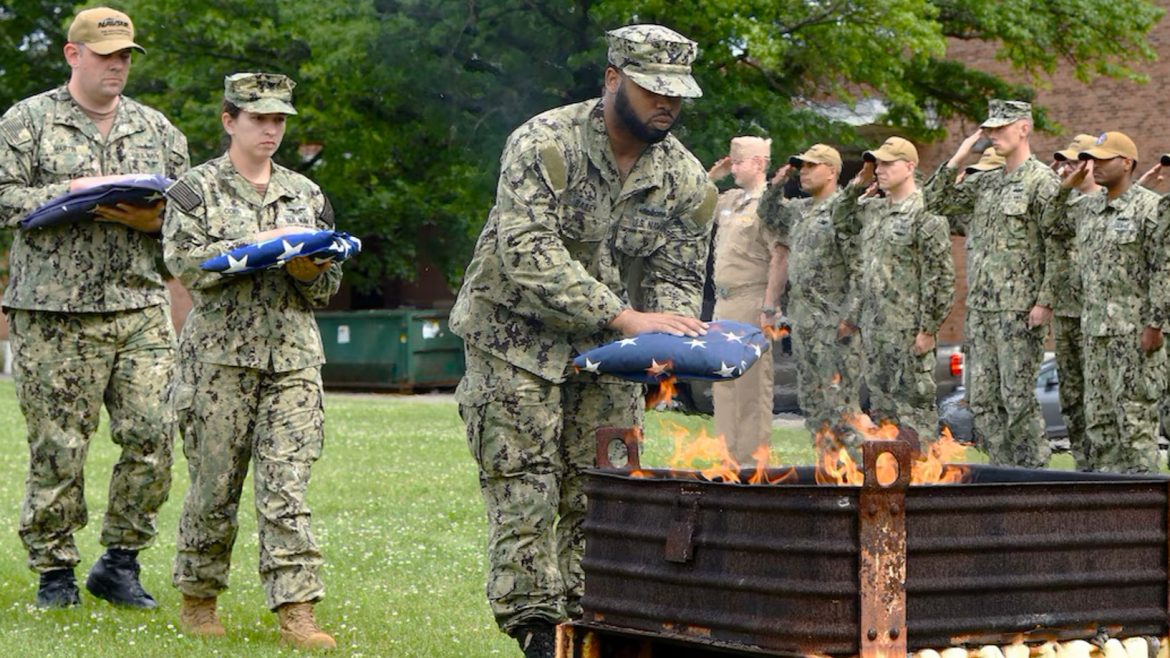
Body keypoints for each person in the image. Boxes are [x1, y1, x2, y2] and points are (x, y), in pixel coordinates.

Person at [449, 24, 715, 658]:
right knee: (524, 486)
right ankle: (536, 628)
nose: (667, 105)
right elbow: (527, 252)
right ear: (612, 79)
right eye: (653, 89)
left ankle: (590, 620)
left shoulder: (687, 180)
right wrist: (623, 317)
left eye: (677, 94)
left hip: (611, 358)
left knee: (603, 490)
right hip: (513, 337)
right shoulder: (545, 143)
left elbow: (678, 279)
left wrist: (664, 349)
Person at [0, 6, 188, 609]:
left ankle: (120, 561)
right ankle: (54, 573)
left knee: (154, 436)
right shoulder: (25, 122)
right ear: (72, 55)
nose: (119, 66)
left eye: (127, 55)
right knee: (60, 446)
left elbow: (194, 212)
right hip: (54, 316)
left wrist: (155, 218)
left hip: (139, 308)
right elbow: (3, 198)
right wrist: (74, 192)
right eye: (107, 55)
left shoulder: (158, 129)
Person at [163, 73, 341, 649]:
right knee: (214, 487)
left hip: (292, 360)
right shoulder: (194, 190)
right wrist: (259, 253)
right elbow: (189, 267)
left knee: (287, 487)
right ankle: (199, 597)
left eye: (279, 120)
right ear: (228, 120)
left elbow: (325, 286)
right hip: (218, 363)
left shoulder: (306, 194)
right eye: (259, 118)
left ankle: (297, 610)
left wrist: (310, 267)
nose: (270, 130)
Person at [925, 100, 1059, 467]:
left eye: (1002, 128)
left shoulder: (1043, 182)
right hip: (981, 311)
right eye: (990, 129)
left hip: (1019, 310)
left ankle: (1031, 475)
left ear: (1024, 128)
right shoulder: (986, 182)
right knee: (983, 401)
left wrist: (1044, 301)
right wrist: (960, 155)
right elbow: (933, 201)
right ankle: (1002, 473)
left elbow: (1059, 246)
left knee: (1016, 399)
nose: (994, 135)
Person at [1061, 132, 1167, 472]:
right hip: (1095, 335)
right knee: (1100, 426)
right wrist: (1068, 185)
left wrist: (1155, 324)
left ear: (1127, 163)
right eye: (1093, 159)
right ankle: (1112, 511)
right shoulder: (1087, 208)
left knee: (1134, 425)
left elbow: (1163, 269)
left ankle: (1147, 515)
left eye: (1105, 159)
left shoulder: (1150, 208)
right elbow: (1049, 220)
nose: (1096, 166)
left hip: (1135, 336)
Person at [838, 138, 954, 441]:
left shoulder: (926, 213)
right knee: (883, 416)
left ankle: (923, 482)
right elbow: (839, 220)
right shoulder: (874, 210)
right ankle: (892, 481)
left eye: (888, 163)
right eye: (878, 163)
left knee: (914, 417)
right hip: (876, 332)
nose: (879, 169)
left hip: (908, 333)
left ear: (910, 166)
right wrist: (856, 185)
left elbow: (941, 278)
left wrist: (928, 329)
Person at [756, 144, 863, 453]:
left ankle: (856, 474)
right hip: (805, 323)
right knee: (814, 406)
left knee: (840, 407)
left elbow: (860, 268)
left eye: (811, 166)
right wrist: (777, 184)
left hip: (835, 326)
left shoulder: (844, 211)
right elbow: (768, 213)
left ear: (831, 171)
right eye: (800, 166)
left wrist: (850, 319)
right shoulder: (801, 210)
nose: (803, 172)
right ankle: (827, 474)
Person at [706, 136, 782, 463]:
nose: (733, 167)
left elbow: (779, 257)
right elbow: (693, 203)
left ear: (760, 164)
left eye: (739, 162)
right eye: (732, 162)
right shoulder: (730, 201)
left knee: (751, 386)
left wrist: (769, 306)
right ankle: (727, 458)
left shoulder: (769, 205)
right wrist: (713, 177)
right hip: (723, 303)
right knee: (723, 384)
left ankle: (751, 462)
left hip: (752, 300)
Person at [1045, 134, 1100, 470]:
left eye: (1074, 161)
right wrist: (1064, 188)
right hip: (1067, 312)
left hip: (1098, 316)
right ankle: (1084, 465)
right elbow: (1048, 224)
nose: (1067, 167)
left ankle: (1108, 467)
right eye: (1063, 162)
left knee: (1100, 397)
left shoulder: (1109, 200)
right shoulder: (1070, 204)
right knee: (1072, 397)